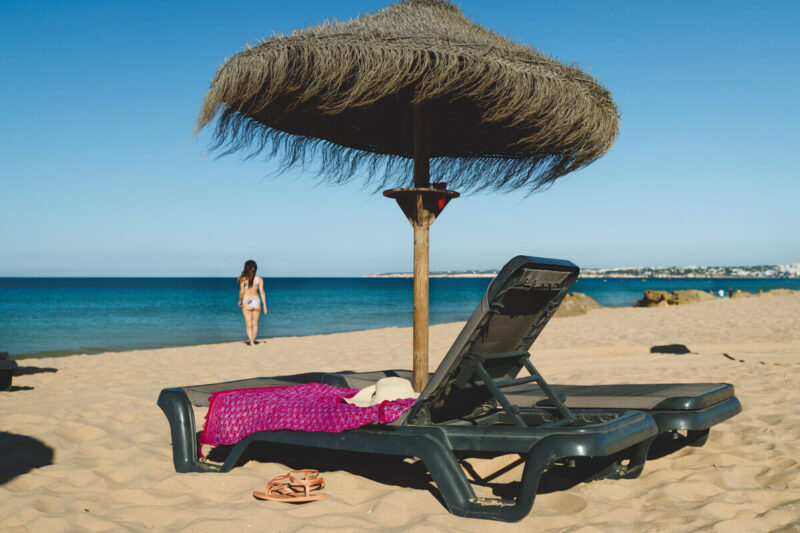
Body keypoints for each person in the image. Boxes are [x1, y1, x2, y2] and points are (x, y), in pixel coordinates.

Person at [238, 260, 267, 345]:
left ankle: (251, 341)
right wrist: (265, 305)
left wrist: (239, 300)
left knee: (248, 324)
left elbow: (241, 291)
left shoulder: (243, 279)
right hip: (256, 301)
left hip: (246, 302)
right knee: (255, 324)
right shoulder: (259, 280)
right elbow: (262, 292)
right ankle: (253, 340)